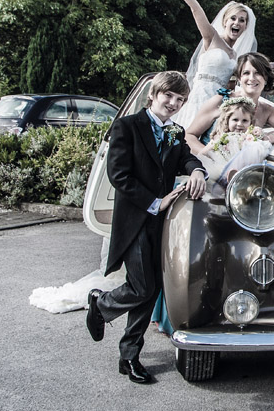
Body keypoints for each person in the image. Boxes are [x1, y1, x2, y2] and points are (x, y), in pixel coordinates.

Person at [85, 71, 207, 385]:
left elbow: (185, 159)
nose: (173, 103)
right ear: (153, 94)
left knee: (152, 290)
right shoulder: (127, 126)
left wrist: (197, 171)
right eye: (168, 95)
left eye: (180, 99)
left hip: (163, 223)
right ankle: (102, 304)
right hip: (135, 220)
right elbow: (119, 175)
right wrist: (155, 202)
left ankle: (129, 356)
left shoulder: (176, 132)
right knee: (142, 287)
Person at [160, 0, 257, 129]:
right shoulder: (212, 38)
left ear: (245, 26)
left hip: (219, 106)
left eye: (242, 20)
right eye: (233, 18)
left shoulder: (237, 56)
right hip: (199, 99)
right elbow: (195, 9)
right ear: (225, 21)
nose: (237, 23)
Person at [183, 52, 274, 154]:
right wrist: (208, 155)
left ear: (266, 78)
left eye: (257, 73)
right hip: (209, 165)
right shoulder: (220, 101)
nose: (252, 78)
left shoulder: (266, 110)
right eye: (246, 73)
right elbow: (189, 136)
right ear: (239, 78)